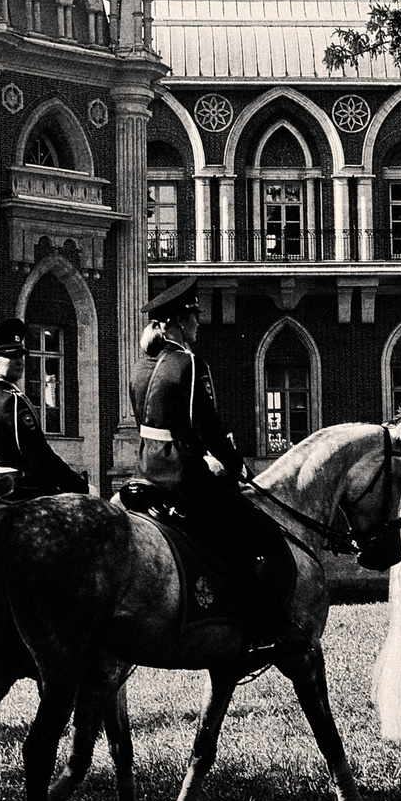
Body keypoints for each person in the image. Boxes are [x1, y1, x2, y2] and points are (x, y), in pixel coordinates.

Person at [129, 278, 298, 658]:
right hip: (183, 476)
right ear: (176, 322)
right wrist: (235, 465)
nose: (198, 324)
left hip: (145, 472)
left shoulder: (140, 367)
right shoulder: (188, 362)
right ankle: (265, 629)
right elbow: (206, 426)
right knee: (263, 536)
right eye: (193, 316)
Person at [0, 318, 86, 509]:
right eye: (10, 356)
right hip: (24, 490)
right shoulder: (11, 400)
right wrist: (77, 485)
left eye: (21, 355)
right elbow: (39, 454)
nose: (19, 361)